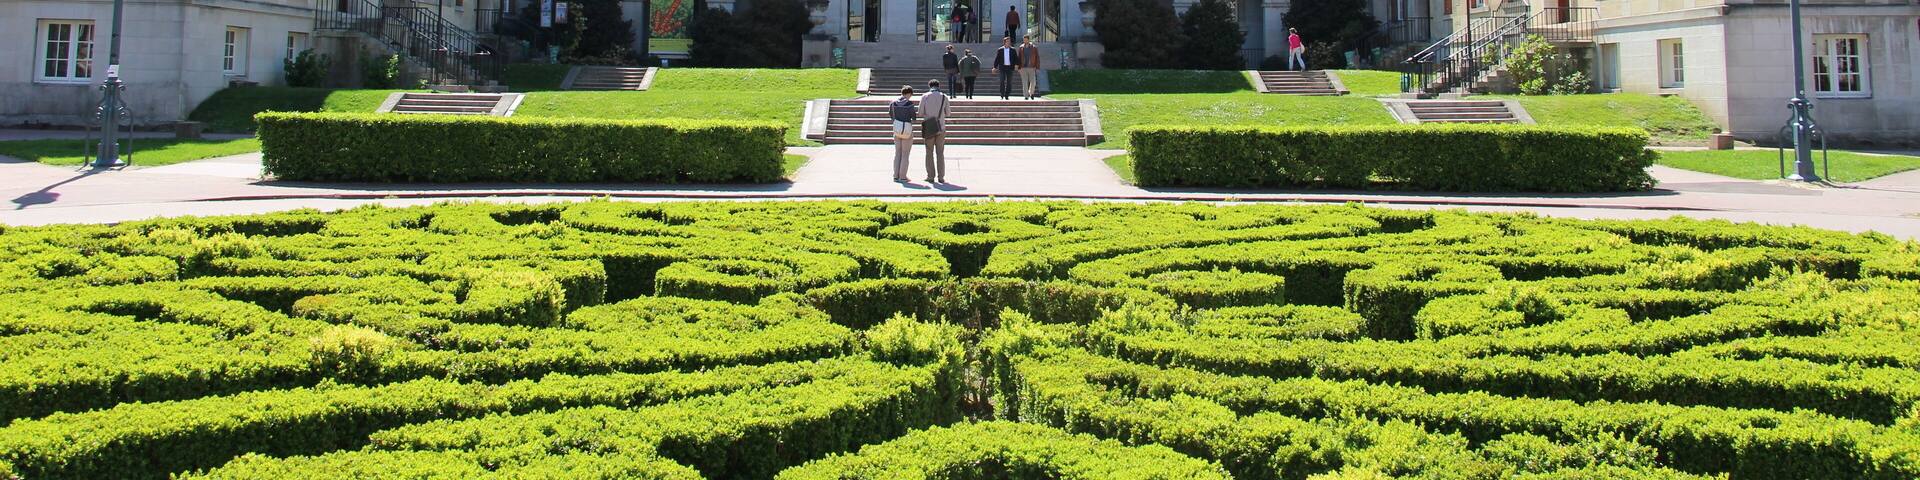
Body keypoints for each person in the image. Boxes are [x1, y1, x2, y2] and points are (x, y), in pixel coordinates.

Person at [920, 80, 952, 183]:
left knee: (929, 153)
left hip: (929, 127)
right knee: (940, 153)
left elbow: (920, 112)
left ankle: (930, 176)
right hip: (941, 127)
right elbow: (948, 113)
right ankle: (941, 177)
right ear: (939, 86)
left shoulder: (925, 96)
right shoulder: (944, 96)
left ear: (929, 86)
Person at [889, 85, 918, 183]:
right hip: (906, 130)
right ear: (909, 93)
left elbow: (891, 115)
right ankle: (903, 176)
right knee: (905, 154)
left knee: (897, 153)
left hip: (896, 130)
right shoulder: (909, 104)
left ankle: (895, 175)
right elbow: (913, 117)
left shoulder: (893, 103)